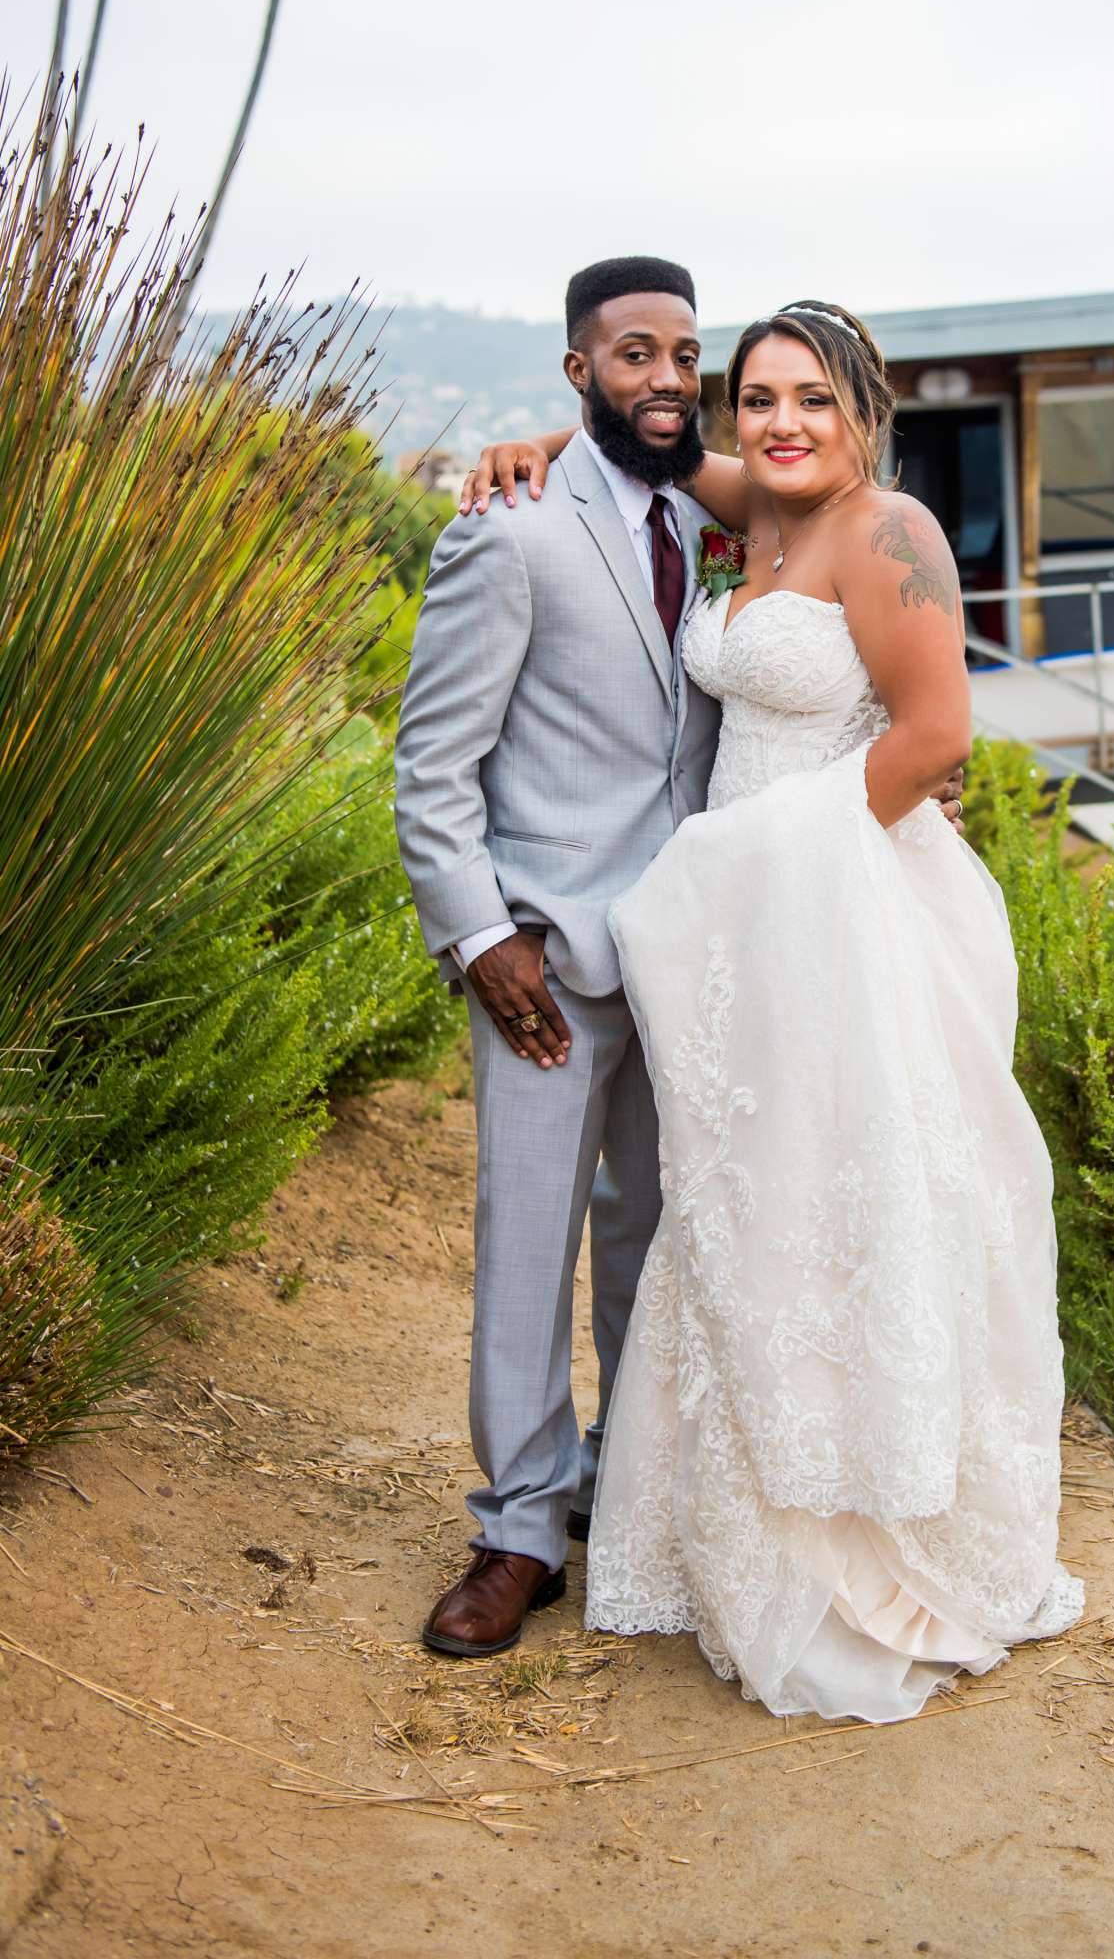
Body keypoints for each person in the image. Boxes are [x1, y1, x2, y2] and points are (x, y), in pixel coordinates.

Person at [464, 300, 1082, 1723]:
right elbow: (642, 447)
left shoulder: (890, 535)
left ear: (860, 407)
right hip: (738, 932)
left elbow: (937, 740)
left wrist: (763, 870)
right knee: (739, 1199)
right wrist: (534, 442)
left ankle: (865, 1529)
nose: (778, 422)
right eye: (757, 398)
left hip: (836, 911)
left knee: (845, 1198)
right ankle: (711, 1515)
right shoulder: (759, 501)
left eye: (809, 397)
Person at [393, 259, 962, 1661]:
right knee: (529, 1242)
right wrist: (480, 937)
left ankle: (631, 1484)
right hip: (555, 957)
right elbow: (431, 765)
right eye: (630, 354)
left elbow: (913, 711)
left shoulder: (755, 509)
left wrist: (901, 784)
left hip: (732, 956)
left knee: (682, 1234)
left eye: (684, 357)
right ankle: (517, 1530)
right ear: (579, 369)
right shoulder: (523, 523)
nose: (667, 378)